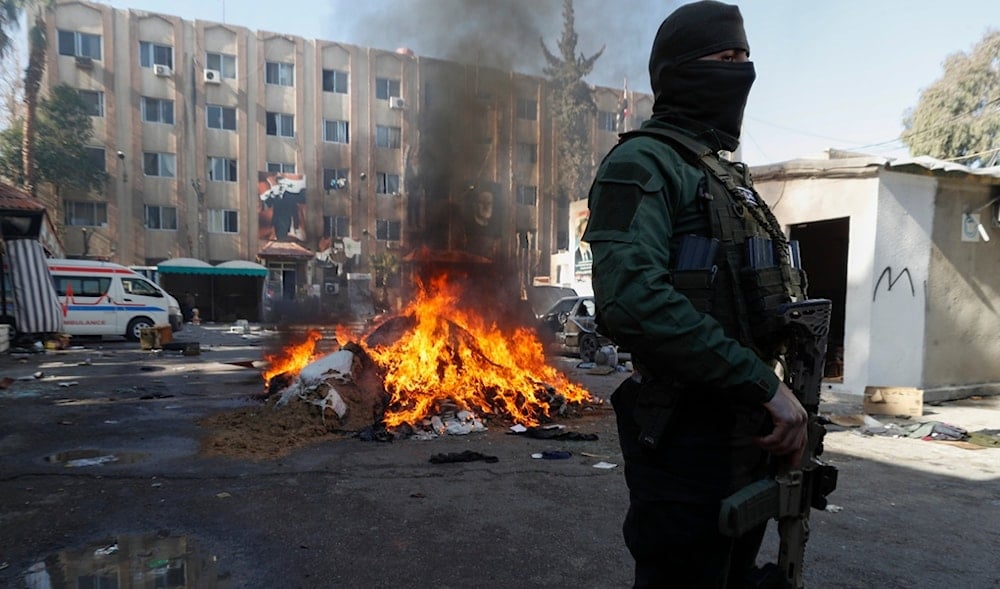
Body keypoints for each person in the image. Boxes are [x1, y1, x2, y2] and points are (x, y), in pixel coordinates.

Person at [582, 2, 809, 587]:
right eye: (725, 58)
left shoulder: (730, 180)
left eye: (746, 57)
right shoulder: (643, 164)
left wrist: (780, 399)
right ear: (681, 71)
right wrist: (765, 386)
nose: (742, 71)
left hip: (749, 435)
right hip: (688, 441)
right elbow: (632, 302)